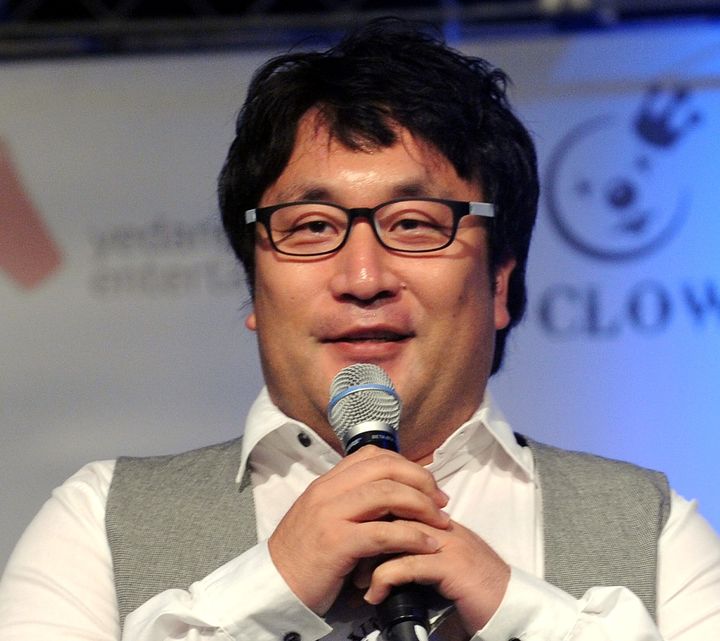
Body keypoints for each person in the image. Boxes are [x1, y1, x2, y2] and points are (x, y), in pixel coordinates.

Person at [1, 16, 719, 641]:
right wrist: (271, 586)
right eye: (312, 227)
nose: (364, 276)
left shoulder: (652, 528)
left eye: (414, 224)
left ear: (500, 282)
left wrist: (516, 611)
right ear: (254, 284)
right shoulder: (98, 520)